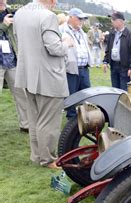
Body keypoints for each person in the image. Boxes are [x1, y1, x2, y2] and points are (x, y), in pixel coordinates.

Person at [13, 0, 74, 169]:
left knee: (34, 118)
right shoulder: (48, 16)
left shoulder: (20, 13)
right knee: (49, 121)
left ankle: (37, 155)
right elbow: (55, 48)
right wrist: (67, 43)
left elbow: (18, 41)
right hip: (48, 76)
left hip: (28, 73)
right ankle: (48, 159)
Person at [0, 0, 29, 133]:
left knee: (21, 94)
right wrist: (3, 25)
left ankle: (26, 124)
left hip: (11, 60)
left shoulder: (11, 12)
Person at [63, 8, 92, 120]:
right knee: (71, 94)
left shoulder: (82, 32)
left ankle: (85, 116)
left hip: (84, 68)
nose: (81, 21)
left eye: (83, 19)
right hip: (71, 68)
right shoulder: (62, 31)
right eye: (79, 18)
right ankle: (71, 118)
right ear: (71, 17)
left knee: (86, 92)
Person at [103, 11, 131, 91]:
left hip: (125, 68)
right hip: (113, 67)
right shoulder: (112, 34)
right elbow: (108, 49)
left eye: (113, 20)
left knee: (123, 91)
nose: (111, 21)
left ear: (120, 21)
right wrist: (105, 61)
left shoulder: (130, 36)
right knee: (115, 90)